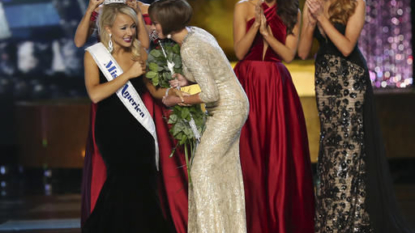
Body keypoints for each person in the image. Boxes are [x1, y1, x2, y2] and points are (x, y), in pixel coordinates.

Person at [298, 0, 414, 232]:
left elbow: (346, 46)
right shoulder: (314, 2)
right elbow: (301, 53)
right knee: (331, 145)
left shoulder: (356, 2)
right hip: (326, 79)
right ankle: (334, 212)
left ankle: (352, 214)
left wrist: (321, 18)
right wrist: (310, 23)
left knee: (349, 145)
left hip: (350, 79)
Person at [76, 1, 189, 232]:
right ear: (108, 29)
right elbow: (95, 94)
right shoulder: (94, 55)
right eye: (123, 28)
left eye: (132, 27)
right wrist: (128, 74)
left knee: (145, 184)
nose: (130, 33)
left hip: (140, 129)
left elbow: (153, 90)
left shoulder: (140, 52)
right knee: (121, 184)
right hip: (112, 130)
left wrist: (175, 91)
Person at [149, 0, 249, 232]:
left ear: (167, 23)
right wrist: (187, 80)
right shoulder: (196, 33)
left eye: (155, 23)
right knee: (222, 169)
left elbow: (211, 94)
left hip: (227, 108)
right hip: (235, 102)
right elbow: (214, 70)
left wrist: (178, 98)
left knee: (201, 170)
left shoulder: (189, 48)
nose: (152, 28)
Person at [232, 0, 315, 232]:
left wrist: (267, 34)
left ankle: (279, 219)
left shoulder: (291, 10)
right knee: (248, 153)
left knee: (277, 152)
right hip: (247, 81)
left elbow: (289, 54)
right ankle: (252, 222)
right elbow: (239, 51)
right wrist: (255, 27)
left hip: (276, 85)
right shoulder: (242, 7)